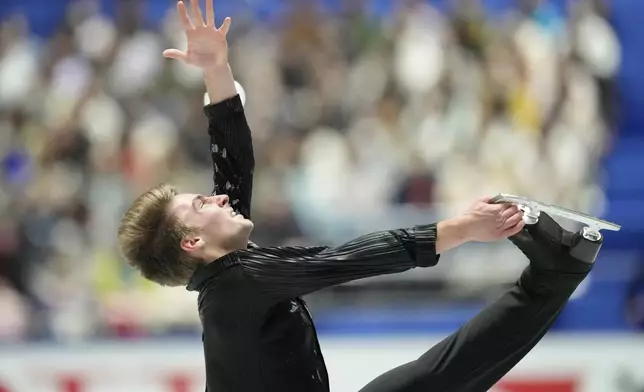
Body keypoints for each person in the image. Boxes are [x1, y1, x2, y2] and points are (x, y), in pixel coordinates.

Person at [117, 1, 600, 391]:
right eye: (201, 205)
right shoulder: (239, 281)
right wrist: (462, 229)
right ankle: (557, 272)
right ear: (192, 244)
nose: (218, 200)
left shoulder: (227, 271)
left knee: (436, 376)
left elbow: (233, 166)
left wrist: (216, 70)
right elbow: (346, 259)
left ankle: (557, 272)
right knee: (437, 376)